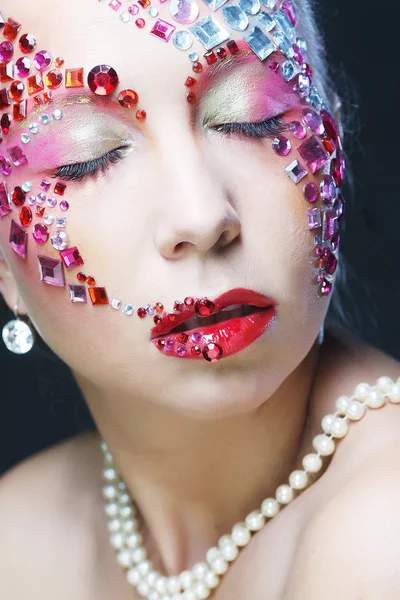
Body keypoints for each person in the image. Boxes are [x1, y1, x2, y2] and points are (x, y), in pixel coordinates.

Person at [0, 0, 399, 598]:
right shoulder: (19, 539)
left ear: (331, 145)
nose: (202, 214)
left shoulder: (379, 535)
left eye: (251, 119)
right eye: (89, 158)